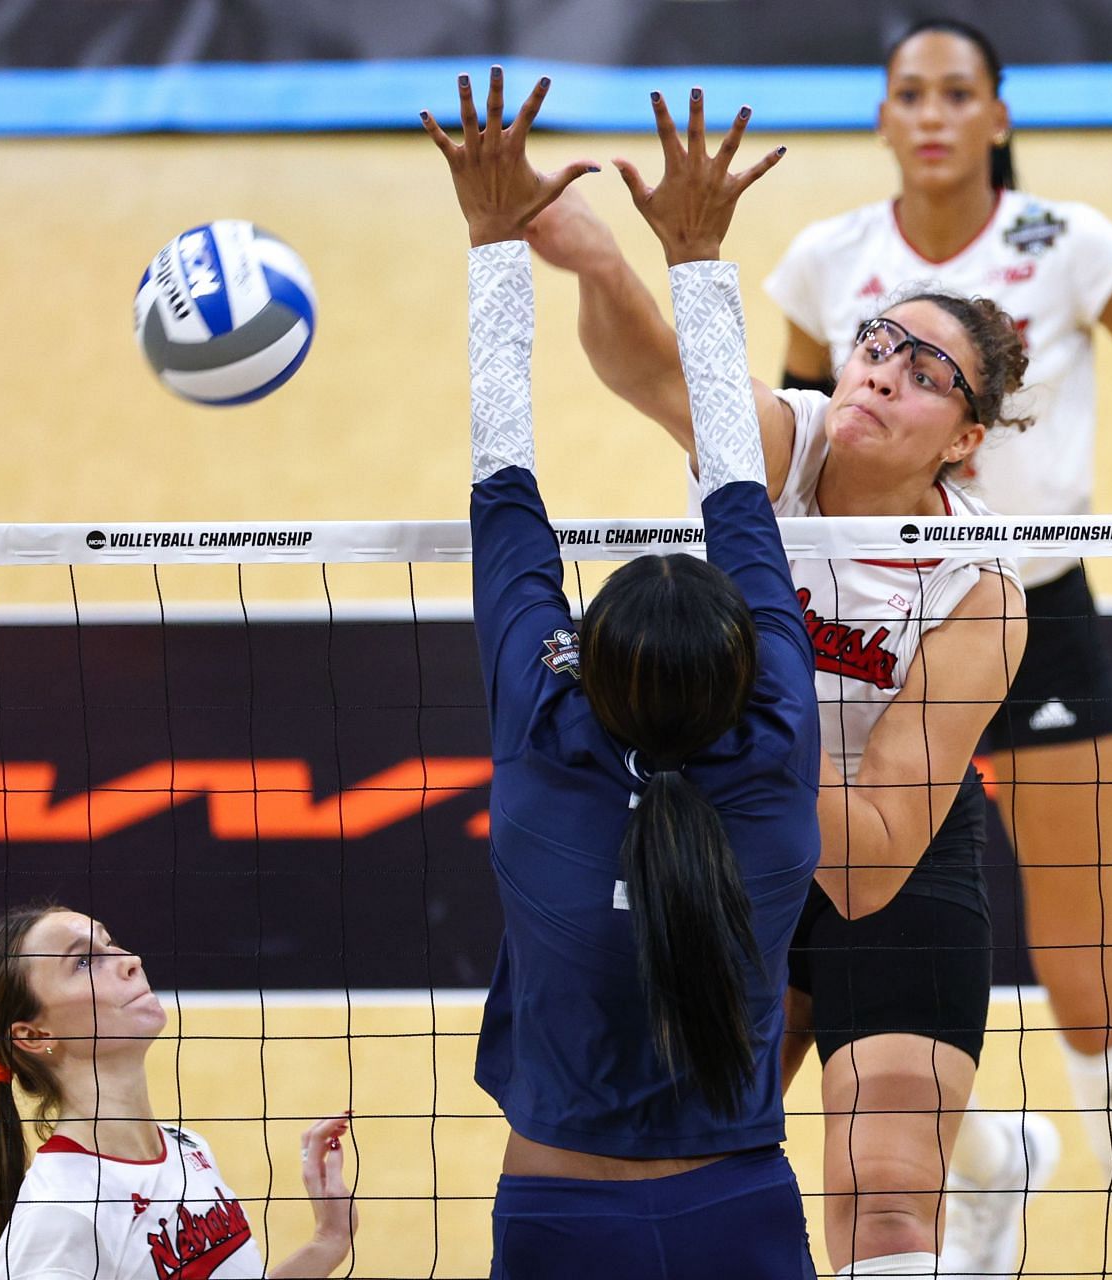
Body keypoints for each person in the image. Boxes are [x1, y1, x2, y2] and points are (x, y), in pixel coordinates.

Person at [763, 19, 1112, 1277]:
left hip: (1026, 617)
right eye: (908, 93)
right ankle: (991, 1162)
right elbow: (783, 446)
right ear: (880, 117)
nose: (931, 114)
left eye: (956, 93)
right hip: (857, 629)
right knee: (811, 990)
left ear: (997, 115)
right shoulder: (830, 261)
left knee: (1088, 974)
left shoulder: (1068, 241)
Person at [524, 135, 1034, 1280]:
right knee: (665, 1158)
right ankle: (989, 1149)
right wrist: (598, 263)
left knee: (886, 1204)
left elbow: (864, 869)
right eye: (878, 342)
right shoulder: (784, 444)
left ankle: (953, 1158)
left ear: (963, 439)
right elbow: (653, 368)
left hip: (884, 865)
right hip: (733, 843)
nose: (883, 370)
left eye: (926, 369)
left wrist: (723, 710)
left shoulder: (979, 596)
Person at [422, 70, 820, 1278]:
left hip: (556, 1223)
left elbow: (506, 480)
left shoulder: (548, 733)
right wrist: (695, 251)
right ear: (749, 659)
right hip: (743, 1215)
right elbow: (738, 482)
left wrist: (494, 242)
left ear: (580, 666)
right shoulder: (778, 743)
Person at [0, 904, 356, 1279]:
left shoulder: (187, 1148)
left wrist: (328, 1242)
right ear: (34, 1035)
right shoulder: (60, 1213)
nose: (130, 961)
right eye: (82, 962)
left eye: (108, 943)